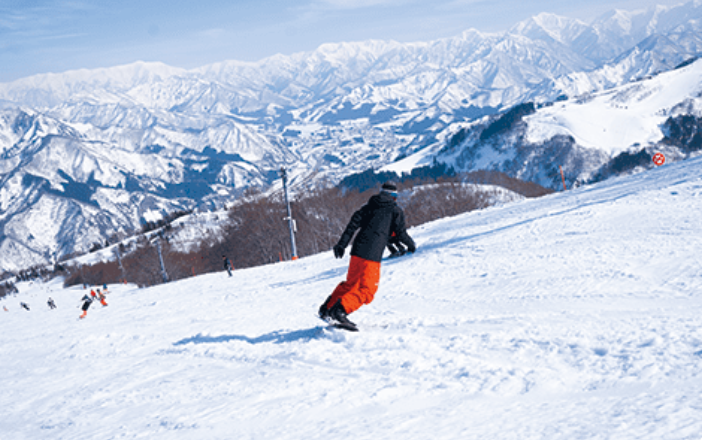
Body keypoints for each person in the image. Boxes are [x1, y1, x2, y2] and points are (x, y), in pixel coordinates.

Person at [318, 181, 416, 330]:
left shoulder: (368, 207)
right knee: (366, 290)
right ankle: (339, 311)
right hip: (371, 255)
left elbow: (353, 225)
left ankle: (327, 309)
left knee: (351, 284)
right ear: (394, 197)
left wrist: (342, 244)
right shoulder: (395, 211)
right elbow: (401, 233)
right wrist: (411, 245)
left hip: (357, 252)